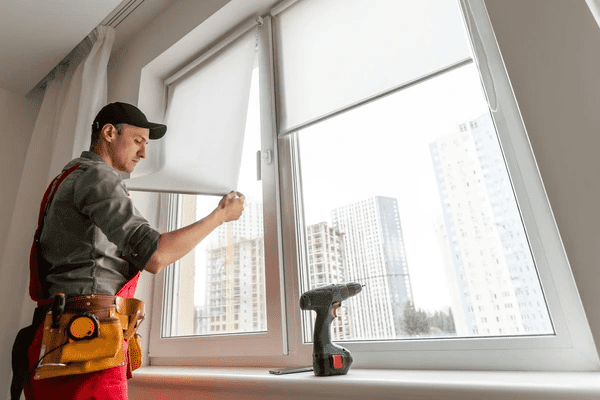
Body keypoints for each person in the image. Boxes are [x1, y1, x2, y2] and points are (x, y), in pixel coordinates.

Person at [12, 102, 245, 399]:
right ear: (109, 133)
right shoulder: (97, 176)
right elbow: (155, 256)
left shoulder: (67, 178)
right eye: (138, 141)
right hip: (85, 350)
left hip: (57, 344)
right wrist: (220, 216)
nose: (144, 153)